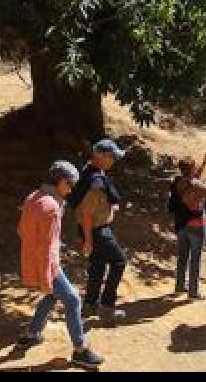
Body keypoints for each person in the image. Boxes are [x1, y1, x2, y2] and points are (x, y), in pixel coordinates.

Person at [18, 161, 104, 369]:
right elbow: (46, 248)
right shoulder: (52, 207)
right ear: (60, 181)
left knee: (52, 296)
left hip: (32, 259)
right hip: (47, 265)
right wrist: (47, 276)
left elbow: (21, 229)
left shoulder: (34, 196)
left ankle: (32, 334)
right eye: (69, 184)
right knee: (73, 300)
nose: (71, 188)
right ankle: (80, 351)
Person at [69, 139, 128, 326]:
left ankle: (90, 305)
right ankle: (107, 308)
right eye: (111, 157)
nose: (113, 161)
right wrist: (88, 240)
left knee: (98, 265)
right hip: (97, 231)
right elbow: (87, 214)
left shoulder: (89, 171)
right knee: (119, 262)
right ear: (101, 157)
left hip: (93, 229)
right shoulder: (95, 183)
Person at [169, 151, 206, 299]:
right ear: (191, 168)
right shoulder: (198, 186)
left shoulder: (178, 181)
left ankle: (179, 286)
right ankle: (193, 291)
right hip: (197, 225)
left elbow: (192, 180)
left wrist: (205, 163)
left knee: (182, 256)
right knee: (195, 258)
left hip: (181, 224)